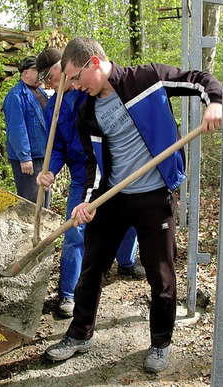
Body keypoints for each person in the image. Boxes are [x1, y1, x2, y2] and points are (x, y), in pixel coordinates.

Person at [43, 37, 222, 373]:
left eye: (76, 78)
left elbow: (199, 79)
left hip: (154, 196)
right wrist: (88, 202)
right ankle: (80, 333)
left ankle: (160, 342)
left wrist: (214, 102)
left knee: (161, 275)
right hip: (113, 197)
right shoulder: (87, 112)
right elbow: (93, 166)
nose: (76, 87)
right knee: (92, 268)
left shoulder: (147, 79)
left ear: (94, 63)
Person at [34, 48, 145, 318]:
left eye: (49, 76)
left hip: (111, 169)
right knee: (74, 230)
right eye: (44, 80)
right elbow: (57, 146)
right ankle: (68, 294)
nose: (48, 84)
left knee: (127, 218)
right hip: (81, 174)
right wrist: (50, 170)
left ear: (66, 67)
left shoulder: (92, 92)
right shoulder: (54, 106)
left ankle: (127, 262)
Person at [3, 56, 50, 206]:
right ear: (25, 73)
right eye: (37, 71)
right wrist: (24, 158)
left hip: (43, 154)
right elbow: (17, 129)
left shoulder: (40, 92)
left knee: (44, 198)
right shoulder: (16, 96)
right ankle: (32, 229)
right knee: (31, 201)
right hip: (29, 159)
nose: (41, 75)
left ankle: (44, 229)